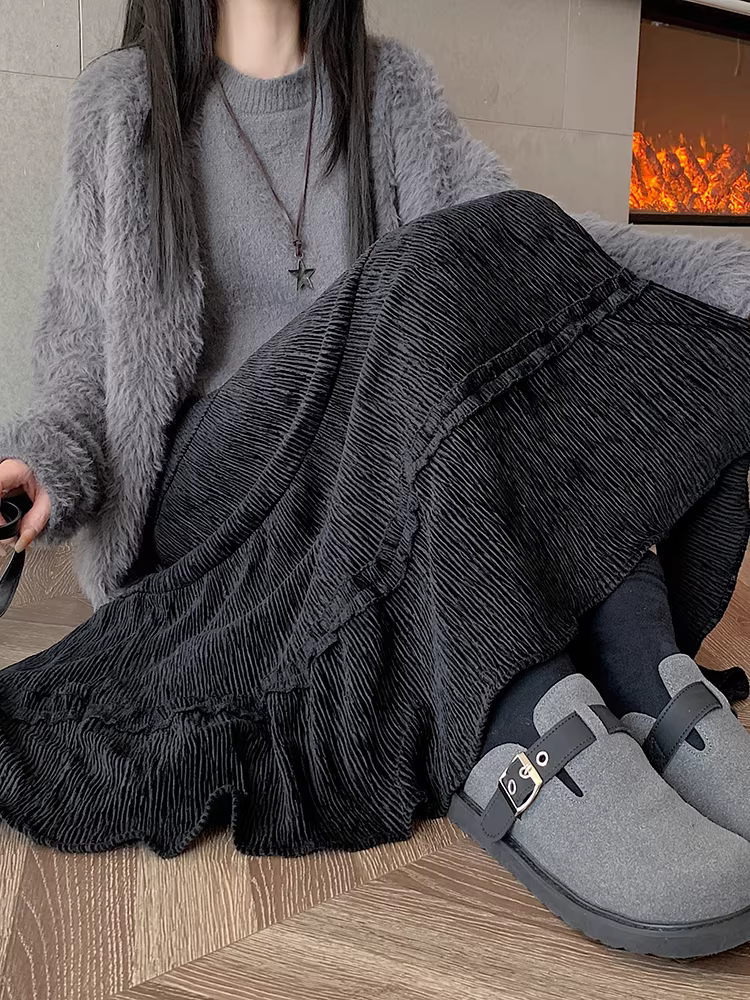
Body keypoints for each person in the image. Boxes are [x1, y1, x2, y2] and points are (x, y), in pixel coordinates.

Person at [2, 0, 750, 959]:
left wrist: (732, 279)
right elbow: (78, 357)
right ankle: (512, 713)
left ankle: (639, 666)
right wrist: (41, 465)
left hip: (371, 457)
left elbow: (524, 250)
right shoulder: (124, 104)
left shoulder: (390, 88)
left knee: (508, 243)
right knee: (420, 281)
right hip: (216, 495)